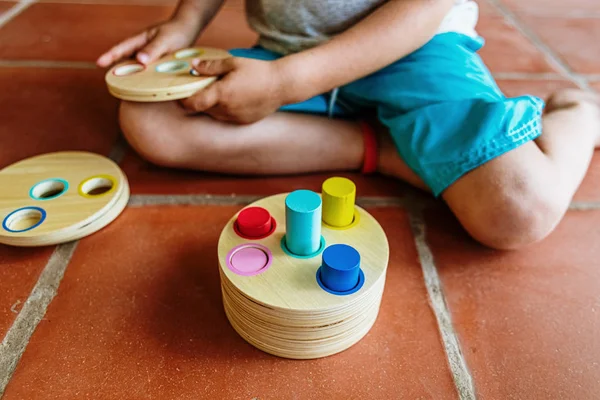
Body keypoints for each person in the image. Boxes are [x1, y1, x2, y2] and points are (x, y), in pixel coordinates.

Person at [97, 0, 600, 250]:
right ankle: (383, 148)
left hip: (417, 51)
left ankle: (579, 113)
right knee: (151, 122)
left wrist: (285, 84)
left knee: (519, 210)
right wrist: (184, 24)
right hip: (284, 55)